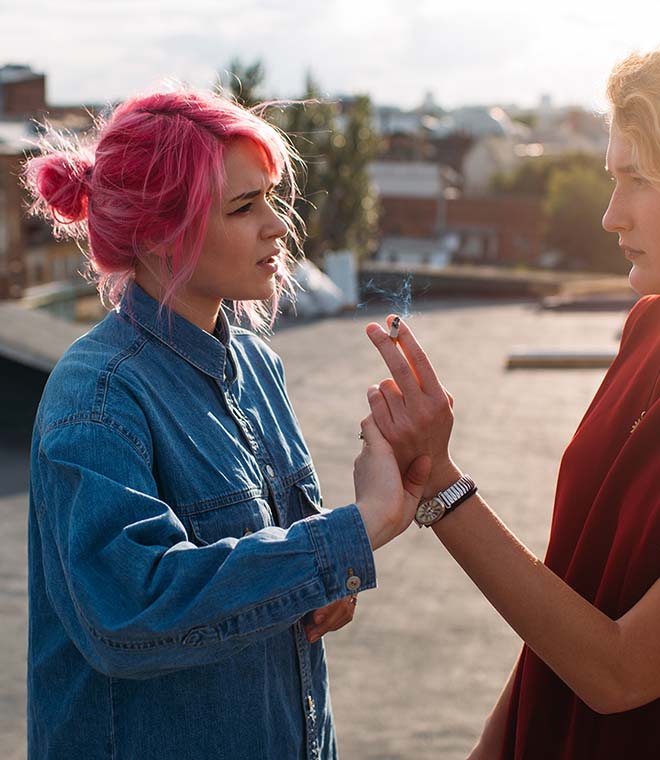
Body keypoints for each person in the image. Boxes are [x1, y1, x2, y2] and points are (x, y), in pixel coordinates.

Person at [24, 89, 430, 760]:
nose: (278, 226)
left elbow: (274, 568)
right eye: (244, 206)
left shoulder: (257, 365)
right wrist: (353, 534)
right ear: (156, 232)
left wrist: (327, 583)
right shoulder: (97, 397)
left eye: (271, 197)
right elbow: (128, 612)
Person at [364, 50, 660, 759]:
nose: (609, 215)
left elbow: (619, 671)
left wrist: (439, 482)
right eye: (610, 177)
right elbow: (572, 591)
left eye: (638, 181)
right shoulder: (647, 330)